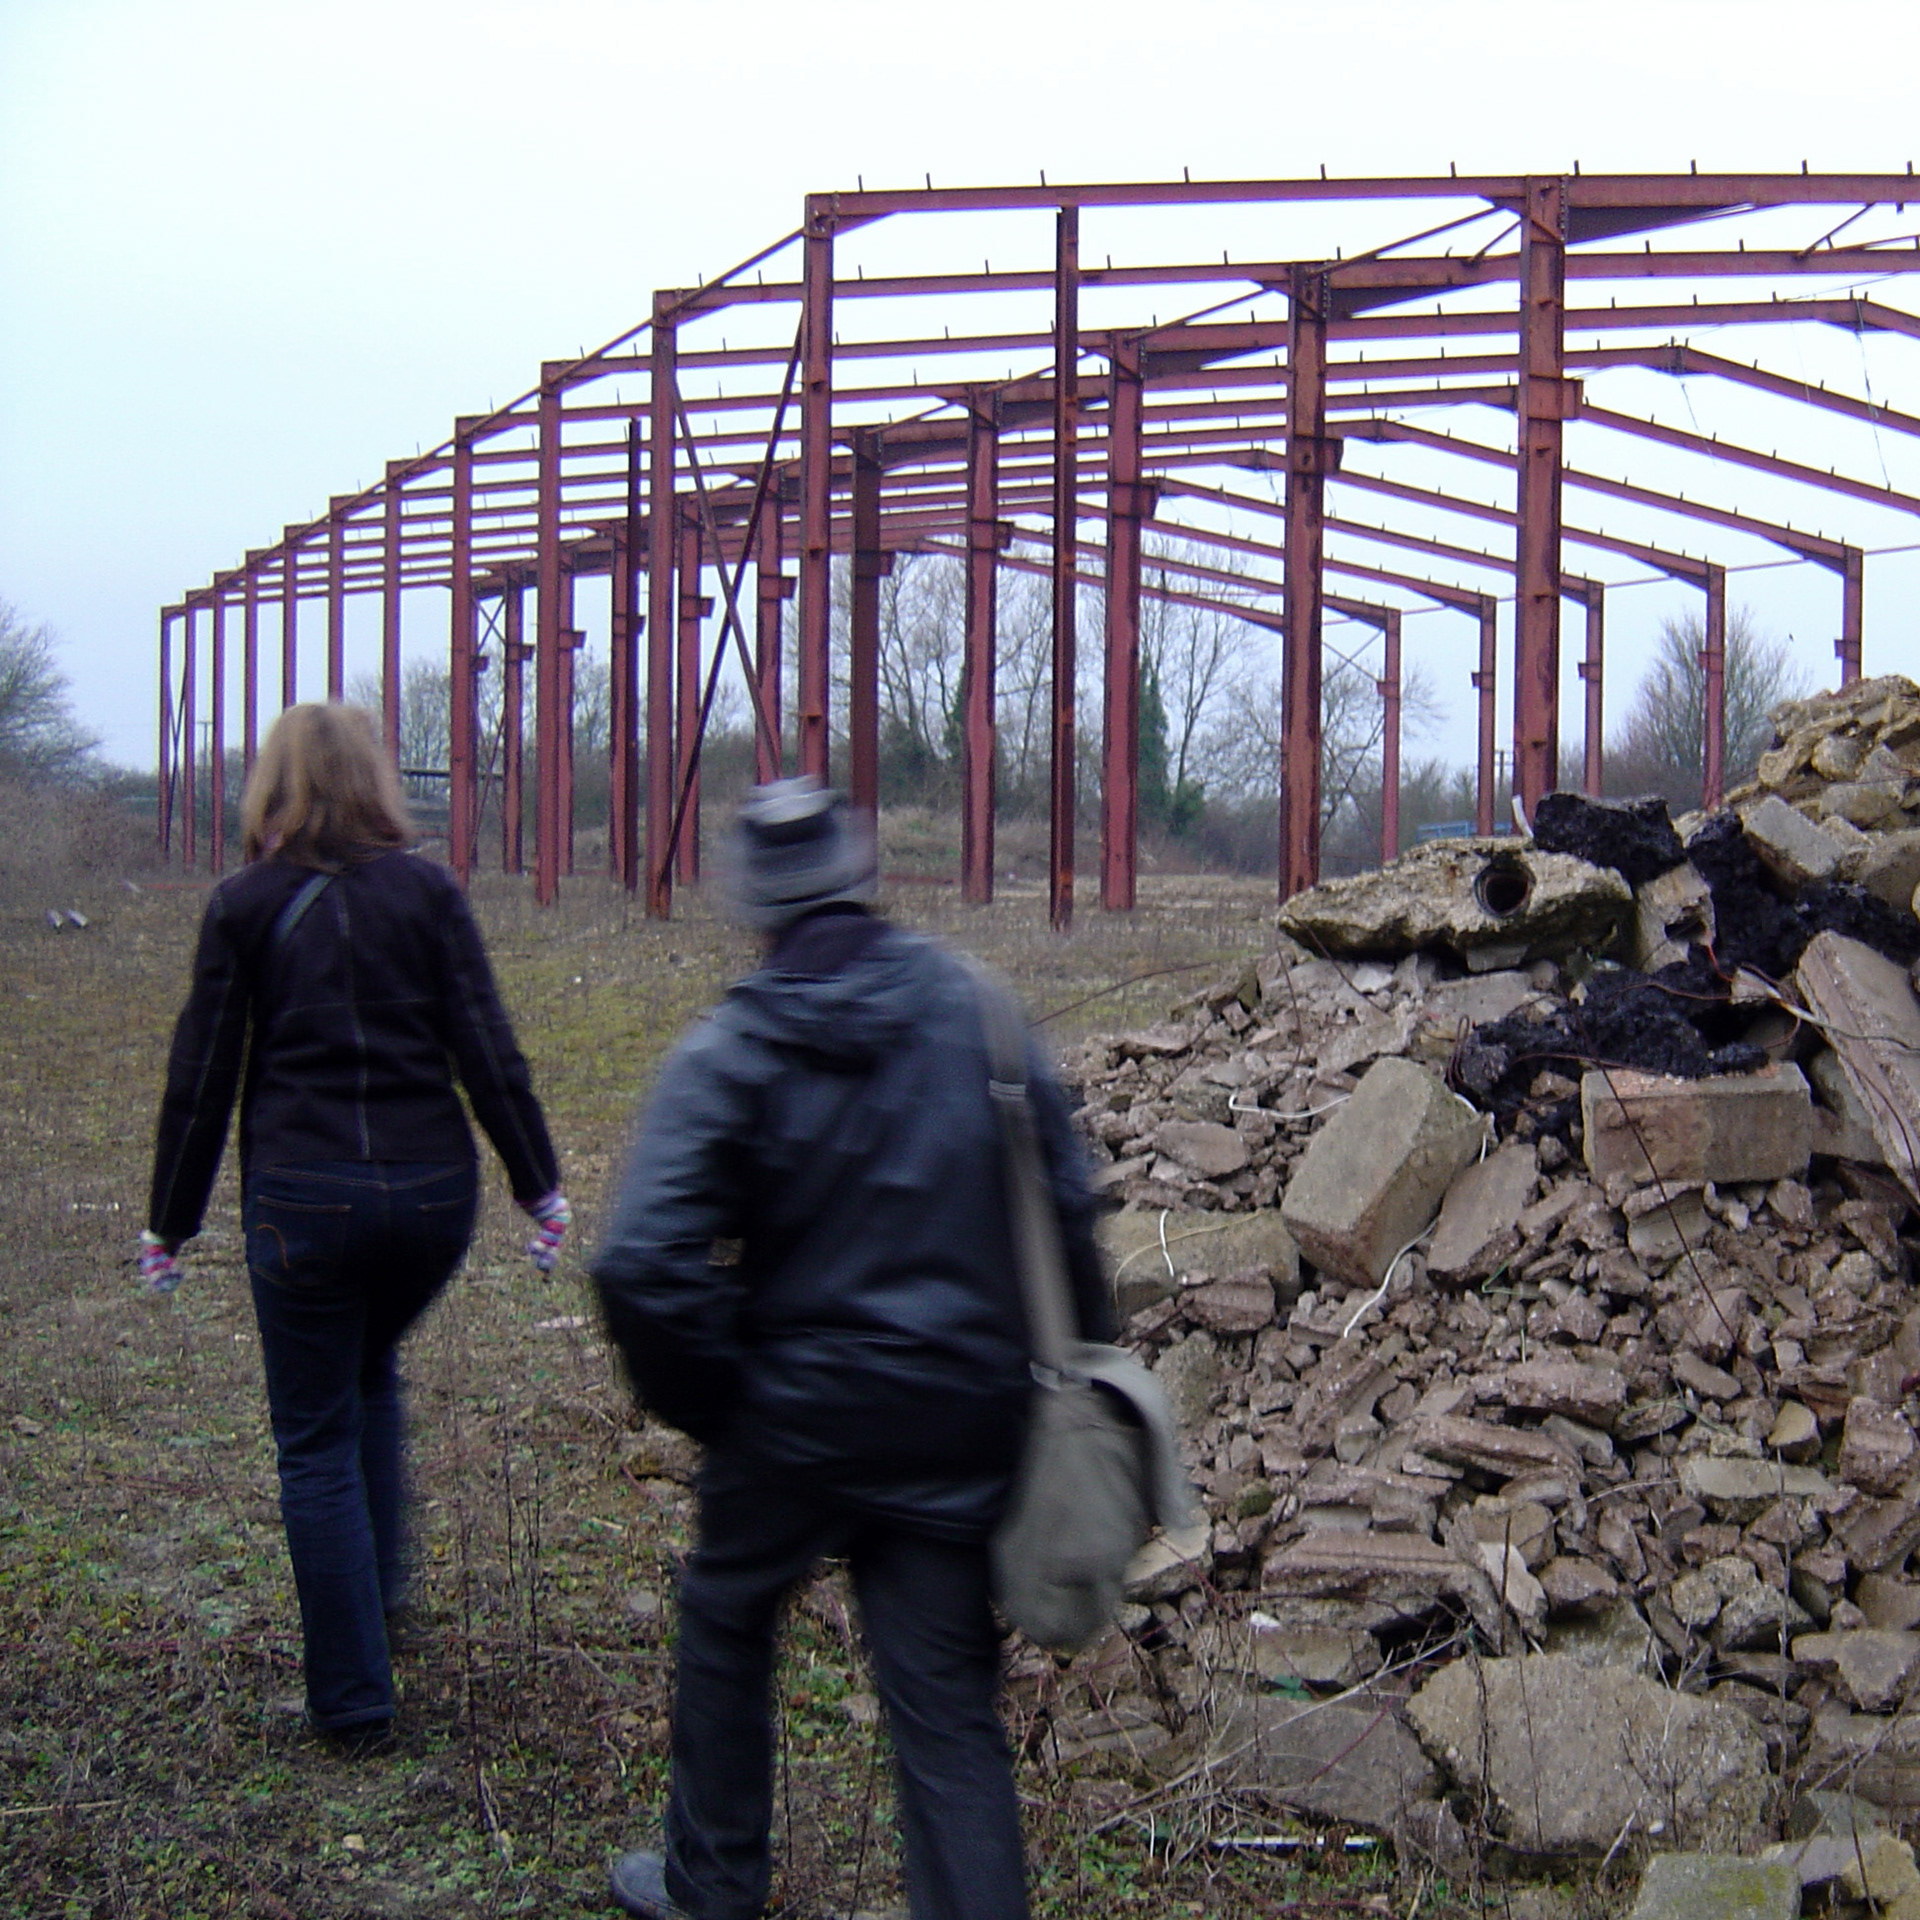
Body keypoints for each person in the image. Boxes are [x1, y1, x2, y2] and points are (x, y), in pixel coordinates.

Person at [591, 776, 1112, 1920]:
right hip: (956, 1415)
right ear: (861, 875)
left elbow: (638, 1261)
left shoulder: (731, 1045)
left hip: (790, 1418)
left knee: (728, 1610)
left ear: (757, 902)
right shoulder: (982, 1008)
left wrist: (717, 1402)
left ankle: (712, 1885)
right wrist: (1068, 1373)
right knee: (942, 1710)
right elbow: (1069, 1211)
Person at [141, 702, 569, 1750]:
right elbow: (486, 1045)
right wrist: (538, 1186)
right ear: (375, 780)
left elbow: (204, 1078)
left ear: (272, 788)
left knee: (315, 1439)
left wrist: (170, 1223)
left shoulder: (243, 905)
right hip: (431, 1202)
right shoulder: (429, 892)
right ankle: (380, 1605)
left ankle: (353, 1704)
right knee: (365, 1367)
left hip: (304, 1204)